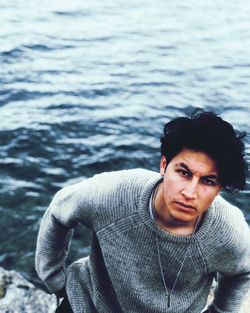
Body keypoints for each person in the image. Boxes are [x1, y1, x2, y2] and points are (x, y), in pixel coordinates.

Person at [35, 111, 250, 313]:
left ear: (219, 188)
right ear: (164, 165)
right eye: (184, 172)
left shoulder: (228, 231)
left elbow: (242, 272)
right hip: (89, 306)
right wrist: (55, 279)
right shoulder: (115, 194)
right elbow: (59, 209)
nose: (190, 192)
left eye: (208, 181)